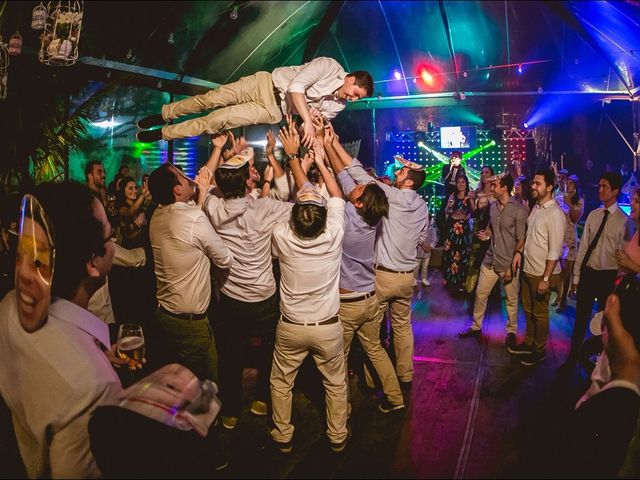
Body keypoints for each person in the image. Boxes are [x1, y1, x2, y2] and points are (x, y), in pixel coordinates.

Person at [0, 183, 122, 478]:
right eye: (110, 232)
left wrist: (95, 353)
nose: (114, 237)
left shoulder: (8, 306)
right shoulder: (92, 387)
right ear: (93, 262)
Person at [194, 145, 293, 431]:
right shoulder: (265, 207)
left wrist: (224, 157)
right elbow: (298, 205)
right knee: (269, 350)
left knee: (230, 355)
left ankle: (231, 411)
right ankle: (262, 398)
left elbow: (209, 185)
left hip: (232, 298)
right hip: (264, 296)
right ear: (247, 182)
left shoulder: (213, 207)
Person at [269, 120, 349, 453]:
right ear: (321, 215)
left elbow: (301, 203)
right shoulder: (333, 234)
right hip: (328, 327)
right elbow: (336, 195)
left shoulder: (282, 235)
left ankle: (283, 434)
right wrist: (316, 161)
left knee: (281, 382)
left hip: (290, 327)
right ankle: (337, 436)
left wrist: (291, 160)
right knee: (335, 384)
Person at [322, 122, 404, 414]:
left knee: (339, 358)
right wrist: (330, 142)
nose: (356, 185)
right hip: (370, 299)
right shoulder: (369, 215)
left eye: (359, 189)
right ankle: (396, 398)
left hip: (348, 304)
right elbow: (343, 178)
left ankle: (341, 411)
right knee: (376, 350)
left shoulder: (345, 215)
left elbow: (335, 183)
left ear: (357, 204)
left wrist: (321, 157)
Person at [136, 57, 373, 146]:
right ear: (350, 78)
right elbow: (296, 87)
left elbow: (306, 125)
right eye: (354, 92)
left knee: (217, 121)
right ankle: (166, 113)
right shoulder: (329, 66)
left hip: (273, 110)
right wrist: (308, 118)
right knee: (210, 99)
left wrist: (310, 127)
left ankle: (164, 134)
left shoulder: (337, 106)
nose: (352, 99)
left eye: (357, 99)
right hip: (264, 84)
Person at [345, 149, 429, 390]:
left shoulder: (392, 196)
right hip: (406, 277)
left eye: (402, 171)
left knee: (371, 333)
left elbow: (362, 176)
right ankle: (405, 376)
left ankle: (374, 380)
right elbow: (423, 237)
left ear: (409, 181)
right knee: (402, 327)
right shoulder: (423, 207)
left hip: (384, 275)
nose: (398, 171)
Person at [148, 163, 233, 381]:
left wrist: (200, 192)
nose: (188, 178)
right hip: (190, 324)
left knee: (174, 386)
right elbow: (224, 259)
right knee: (205, 390)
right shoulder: (193, 218)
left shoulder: (157, 215)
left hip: (164, 317)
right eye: (183, 176)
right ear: (177, 189)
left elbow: (189, 220)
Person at [564, 172, 635, 367]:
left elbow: (625, 256)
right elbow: (584, 247)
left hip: (608, 276)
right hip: (589, 272)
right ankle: (572, 357)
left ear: (615, 190)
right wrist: (576, 277)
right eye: (600, 186)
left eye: (605, 187)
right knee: (580, 319)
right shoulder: (594, 216)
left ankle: (602, 362)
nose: (600, 190)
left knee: (605, 322)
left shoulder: (624, 221)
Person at [459, 173, 528, 348]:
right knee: (481, 294)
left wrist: (513, 263)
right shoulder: (493, 207)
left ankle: (511, 331)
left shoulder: (518, 210)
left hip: (508, 262)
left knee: (511, 300)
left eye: (495, 185)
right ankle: (476, 326)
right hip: (490, 259)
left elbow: (521, 239)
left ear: (504, 188)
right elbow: (492, 227)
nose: (491, 188)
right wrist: (487, 234)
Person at [509, 169, 566, 366]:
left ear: (549, 187)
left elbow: (555, 250)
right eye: (533, 183)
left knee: (540, 314)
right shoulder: (537, 208)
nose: (533, 186)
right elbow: (530, 236)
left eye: (538, 183)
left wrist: (546, 278)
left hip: (541, 273)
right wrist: (518, 253)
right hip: (528, 270)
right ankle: (530, 342)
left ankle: (539, 350)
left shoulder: (555, 213)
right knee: (528, 309)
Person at [554, 174, 584, 312]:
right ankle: (559, 296)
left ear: (576, 187)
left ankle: (564, 300)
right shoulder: (559, 198)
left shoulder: (579, 201)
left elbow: (575, 218)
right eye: (568, 183)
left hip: (570, 239)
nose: (568, 185)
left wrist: (569, 203)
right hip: (559, 237)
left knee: (567, 271)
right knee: (559, 270)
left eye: (571, 184)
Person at [442, 175, 473, 291]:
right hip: (452, 230)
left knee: (462, 255)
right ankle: (450, 281)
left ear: (466, 183)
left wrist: (470, 201)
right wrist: (451, 209)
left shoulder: (470, 195)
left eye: (463, 182)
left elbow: (474, 212)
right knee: (450, 255)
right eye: (458, 182)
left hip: (463, 230)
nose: (460, 184)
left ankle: (461, 282)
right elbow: (446, 210)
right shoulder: (452, 196)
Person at [615, 187, 640, 275]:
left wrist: (628, 263)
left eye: (636, 201)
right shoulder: (636, 232)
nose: (631, 203)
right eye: (632, 199)